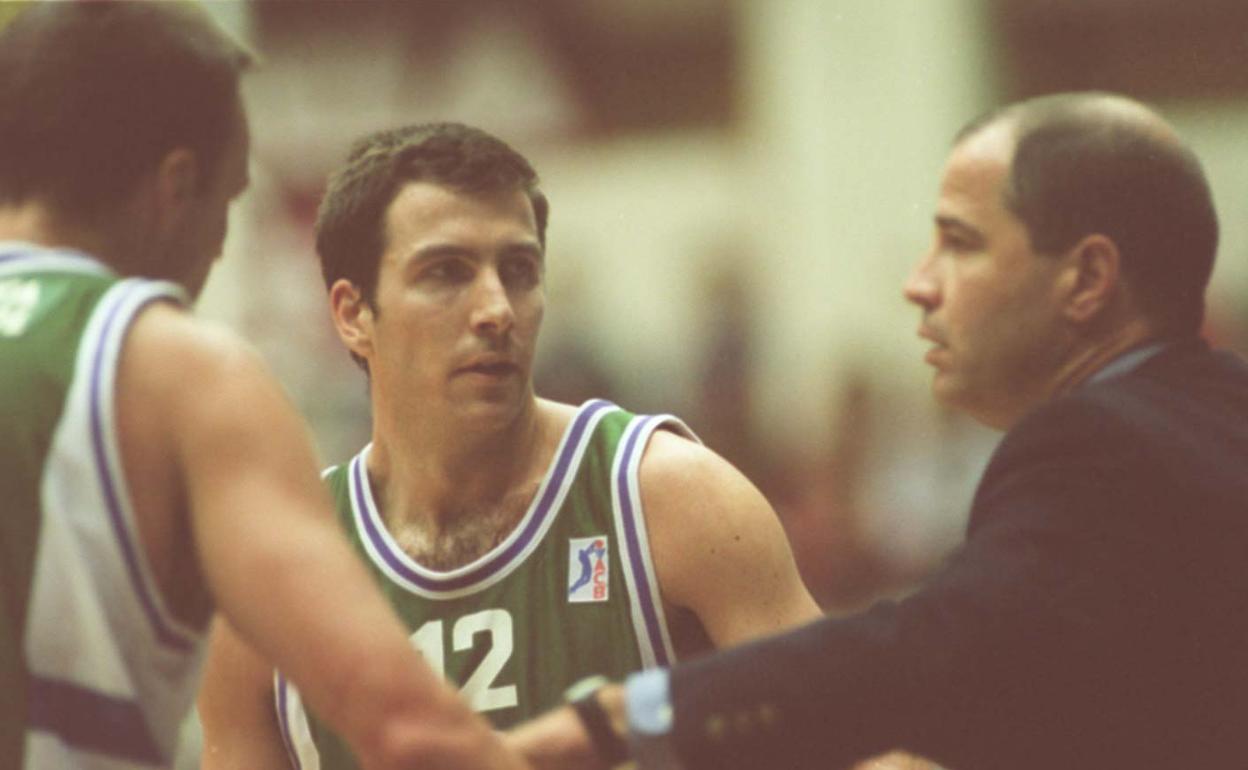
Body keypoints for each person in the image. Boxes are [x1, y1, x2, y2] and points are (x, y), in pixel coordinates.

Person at [505, 91, 1248, 770]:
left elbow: (933, 649)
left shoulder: (1094, 443)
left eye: (960, 243)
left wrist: (611, 720)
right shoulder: (1214, 414)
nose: (919, 283)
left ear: (1088, 279)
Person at [195, 121, 821, 769]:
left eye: (518, 270)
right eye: (446, 272)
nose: (497, 309)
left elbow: (866, 739)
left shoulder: (669, 497)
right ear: (354, 315)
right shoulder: (265, 588)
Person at [0, 5, 528, 769]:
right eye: (230, 198)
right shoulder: (175, 373)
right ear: (178, 186)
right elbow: (409, 728)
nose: (219, 242)